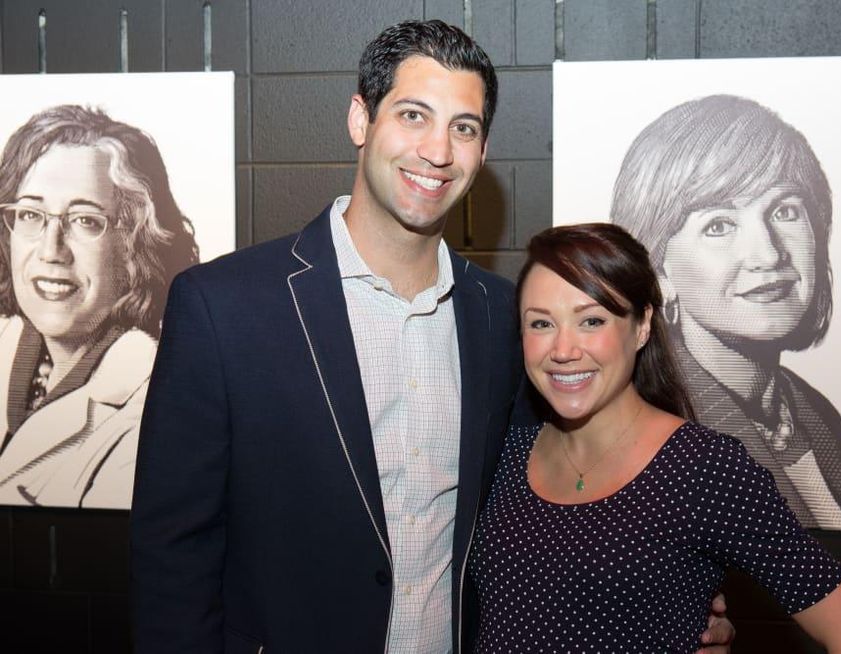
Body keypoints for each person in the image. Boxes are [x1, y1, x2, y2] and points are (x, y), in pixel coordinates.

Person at [130, 20, 733, 654]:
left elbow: (566, 487)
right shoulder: (224, 305)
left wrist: (677, 589)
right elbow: (173, 551)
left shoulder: (505, 317)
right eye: (414, 115)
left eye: (463, 128)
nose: (438, 151)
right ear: (361, 120)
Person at [470, 222, 841, 653]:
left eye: (592, 320)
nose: (563, 350)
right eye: (542, 323)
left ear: (641, 326)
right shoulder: (508, 450)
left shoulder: (703, 469)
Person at [610, 94, 841, 531]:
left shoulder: (814, 414)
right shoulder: (653, 435)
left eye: (785, 211)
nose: (767, 253)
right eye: (719, 225)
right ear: (658, 269)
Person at [0, 104, 197, 508]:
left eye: (85, 220)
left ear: (135, 246)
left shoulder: (155, 412)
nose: (51, 251)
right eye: (30, 214)